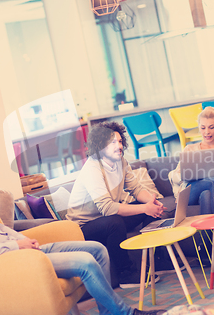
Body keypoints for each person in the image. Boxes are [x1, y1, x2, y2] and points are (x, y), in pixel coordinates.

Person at [0, 150, 165, 315]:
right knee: (86, 262)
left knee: (97, 249)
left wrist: (21, 239)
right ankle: (127, 314)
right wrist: (18, 247)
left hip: (23, 251)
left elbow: (1, 229)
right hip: (13, 263)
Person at [66, 122, 166, 288]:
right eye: (113, 142)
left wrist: (152, 203)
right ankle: (125, 274)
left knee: (148, 211)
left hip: (106, 219)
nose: (119, 146)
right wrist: (144, 207)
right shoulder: (92, 169)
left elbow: (136, 188)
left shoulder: (121, 162)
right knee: (115, 221)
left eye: (120, 141)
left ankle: (158, 261)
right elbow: (107, 208)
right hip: (82, 228)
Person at [168, 106, 214, 214]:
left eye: (211, 127)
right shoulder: (189, 149)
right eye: (203, 128)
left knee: (206, 194)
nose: (207, 132)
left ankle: (207, 231)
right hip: (192, 191)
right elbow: (175, 175)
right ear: (199, 128)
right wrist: (186, 174)